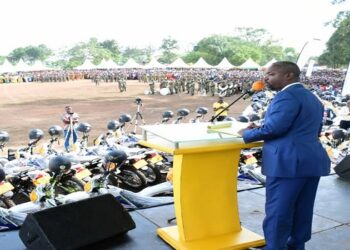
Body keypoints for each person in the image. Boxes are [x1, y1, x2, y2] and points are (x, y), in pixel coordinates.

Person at [238, 61, 330, 250]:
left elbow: (274, 128)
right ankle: (296, 246)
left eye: (271, 74)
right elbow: (311, 129)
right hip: (311, 161)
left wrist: (246, 134)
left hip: (287, 164)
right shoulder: (312, 97)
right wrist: (262, 128)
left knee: (278, 211)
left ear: (288, 75)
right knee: (302, 209)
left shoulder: (286, 96)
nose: (266, 78)